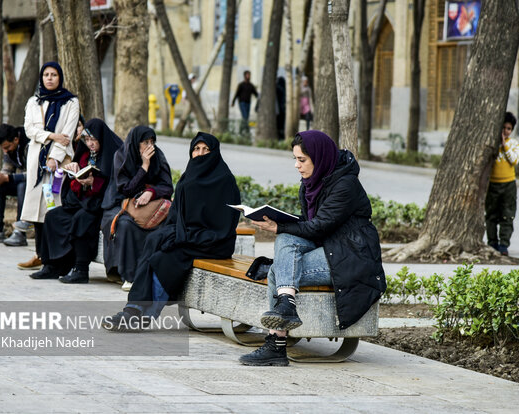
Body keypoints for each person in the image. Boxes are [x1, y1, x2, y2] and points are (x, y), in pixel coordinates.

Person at [239, 130, 386, 366]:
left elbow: (319, 226)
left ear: (320, 158)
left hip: (351, 257)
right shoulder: (311, 182)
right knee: (284, 243)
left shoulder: (345, 185)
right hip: (328, 247)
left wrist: (279, 227)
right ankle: (286, 306)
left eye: (302, 160)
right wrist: (278, 224)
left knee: (279, 270)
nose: (297, 166)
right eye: (295, 159)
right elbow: (312, 224)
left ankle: (276, 343)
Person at [103, 132, 241, 330]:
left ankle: (143, 316)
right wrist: (172, 234)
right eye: (196, 149)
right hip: (189, 238)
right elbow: (176, 217)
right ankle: (132, 309)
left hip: (214, 241)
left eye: (205, 150)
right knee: (154, 242)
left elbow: (224, 226)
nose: (200, 154)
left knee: (164, 260)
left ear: (214, 152)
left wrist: (184, 236)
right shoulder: (188, 178)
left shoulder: (225, 181)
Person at [29, 119, 123, 282]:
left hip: (100, 206)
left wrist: (95, 183)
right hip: (81, 201)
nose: (90, 144)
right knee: (53, 217)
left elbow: (115, 184)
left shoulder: (113, 153)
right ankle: (51, 265)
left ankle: (81, 269)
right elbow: (73, 184)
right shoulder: (85, 154)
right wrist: (75, 172)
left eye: (94, 140)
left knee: (82, 220)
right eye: (87, 140)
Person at [18, 62, 80, 271]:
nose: (50, 78)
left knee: (52, 207)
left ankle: (54, 257)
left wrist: (54, 157)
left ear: (60, 77)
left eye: (54, 75)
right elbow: (29, 130)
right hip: (37, 160)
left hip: (58, 163)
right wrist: (51, 135)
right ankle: (39, 254)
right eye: (46, 74)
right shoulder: (34, 101)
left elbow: (68, 134)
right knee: (36, 209)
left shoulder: (70, 102)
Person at [100, 126, 174, 291]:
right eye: (145, 142)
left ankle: (154, 275)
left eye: (152, 142)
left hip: (151, 205)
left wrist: (151, 192)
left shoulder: (158, 155)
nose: (150, 146)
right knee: (125, 225)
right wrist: (144, 167)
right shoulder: (121, 156)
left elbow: (168, 186)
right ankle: (130, 276)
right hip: (122, 203)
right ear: (136, 143)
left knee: (167, 225)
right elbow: (125, 189)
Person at [485, 112, 519, 256]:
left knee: (507, 215)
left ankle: (504, 244)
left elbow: (514, 160)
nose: (505, 131)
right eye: (503, 128)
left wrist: (505, 145)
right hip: (492, 184)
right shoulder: (492, 144)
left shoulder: (513, 144)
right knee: (491, 214)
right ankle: (492, 242)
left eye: (509, 129)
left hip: (508, 185)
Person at [231, 70, 258, 134]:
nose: (248, 76)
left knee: (245, 118)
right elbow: (237, 93)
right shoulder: (241, 85)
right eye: (247, 75)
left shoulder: (251, 86)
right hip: (242, 103)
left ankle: (241, 131)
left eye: (249, 75)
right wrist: (233, 102)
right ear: (244, 76)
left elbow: (256, 94)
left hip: (248, 103)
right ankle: (247, 131)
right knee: (245, 116)